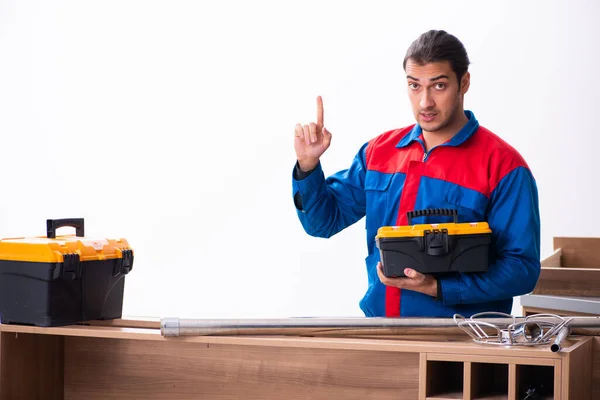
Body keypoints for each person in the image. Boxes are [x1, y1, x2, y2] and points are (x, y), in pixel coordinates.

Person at [291, 30, 541, 318]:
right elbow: (323, 223)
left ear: (464, 83)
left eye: (439, 86)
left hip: (461, 341)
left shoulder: (503, 167)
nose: (425, 103)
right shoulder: (378, 152)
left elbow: (522, 269)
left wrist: (441, 287)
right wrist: (307, 165)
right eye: (414, 86)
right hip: (381, 332)